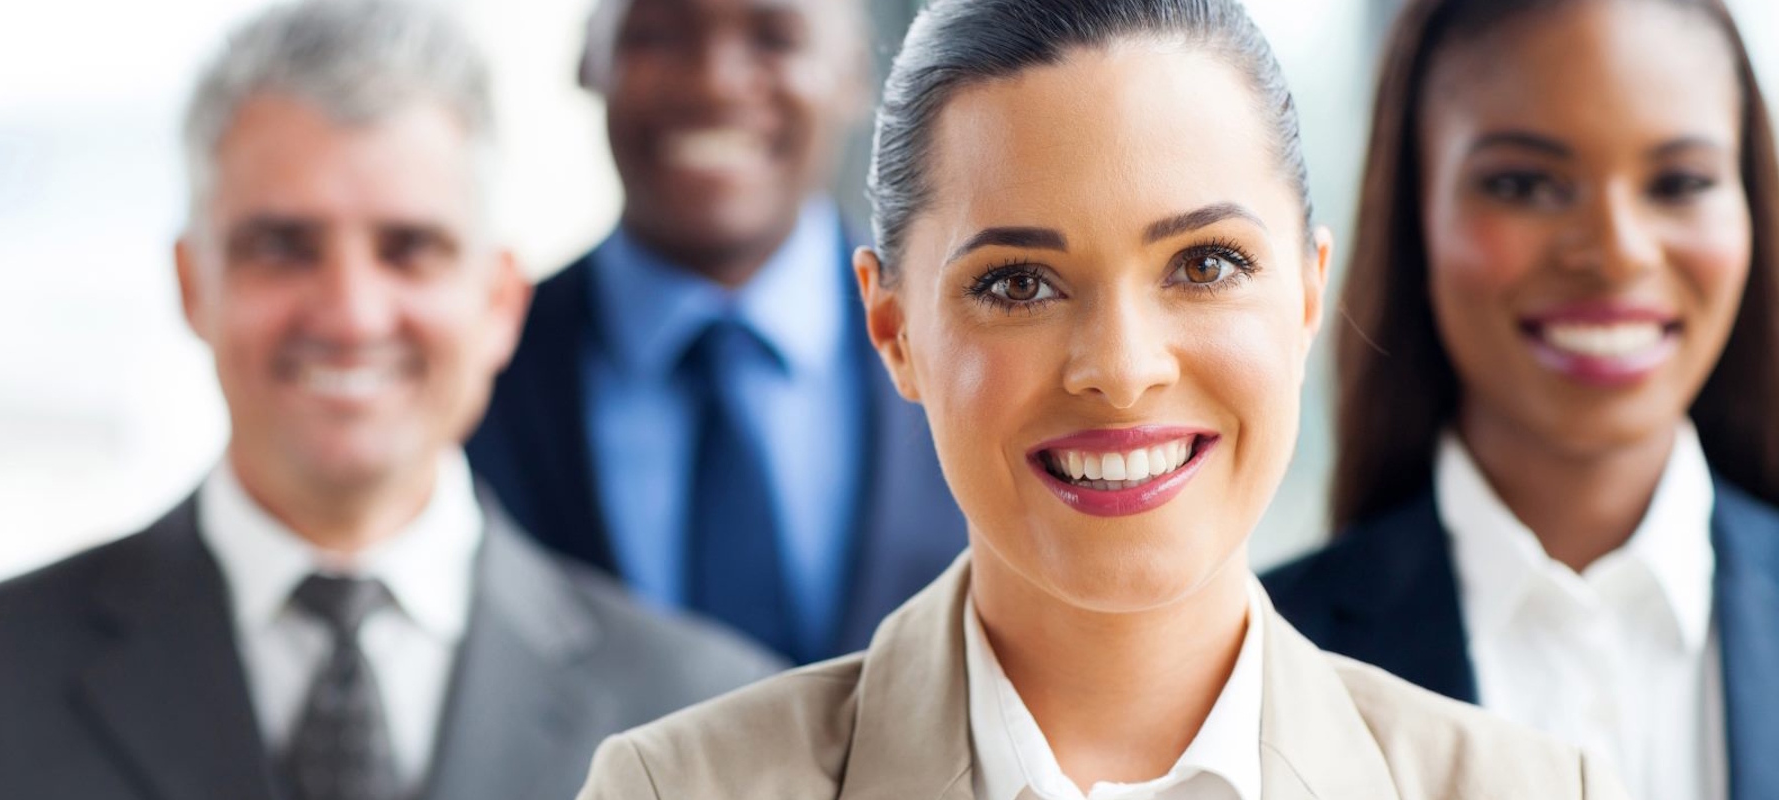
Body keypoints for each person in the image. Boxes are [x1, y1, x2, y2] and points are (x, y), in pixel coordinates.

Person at [575, 1, 1633, 797]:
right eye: (1017, 284)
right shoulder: (676, 787)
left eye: (1206, 264)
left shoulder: (1530, 787)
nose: (1122, 369)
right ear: (894, 329)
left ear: (1310, 294)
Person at [0, 2, 780, 797]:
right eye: (283, 248)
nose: (351, 314)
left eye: (409, 250)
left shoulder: (708, 715)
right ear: (193, 286)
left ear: (500, 302)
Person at [1262, 0, 1779, 798]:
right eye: (1525, 184)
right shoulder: (1260, 666)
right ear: (1417, 214)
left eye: (1680, 182)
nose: (1615, 253)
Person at [467, 0, 966, 665]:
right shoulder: (473, 373)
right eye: (660, 35)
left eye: (774, 37)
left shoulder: (976, 343)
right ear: (589, 59)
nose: (714, 82)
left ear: (856, 71)